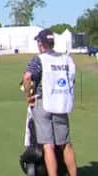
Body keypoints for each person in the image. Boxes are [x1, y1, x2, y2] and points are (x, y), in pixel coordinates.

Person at [23, 29, 78, 176]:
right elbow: (72, 79)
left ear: (41, 44)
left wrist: (28, 96)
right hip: (61, 103)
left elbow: (27, 77)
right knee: (66, 144)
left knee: (48, 146)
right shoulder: (66, 59)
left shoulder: (39, 59)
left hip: (43, 103)